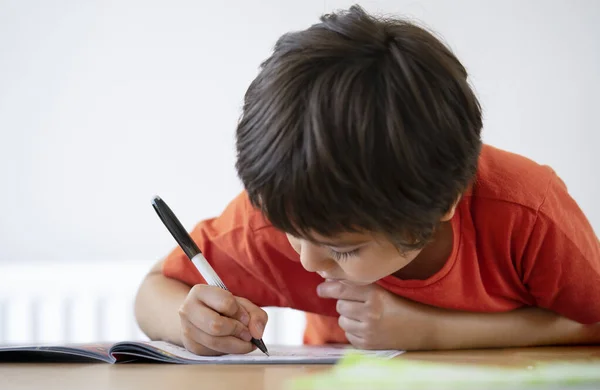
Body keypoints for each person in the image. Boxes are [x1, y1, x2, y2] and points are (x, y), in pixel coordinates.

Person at [135, 5, 600, 356]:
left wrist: (429, 331)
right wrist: (193, 326)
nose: (309, 261)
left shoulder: (524, 210)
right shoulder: (290, 209)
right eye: (293, 234)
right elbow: (153, 292)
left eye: (345, 250)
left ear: (441, 206)